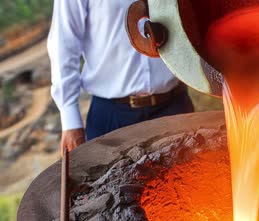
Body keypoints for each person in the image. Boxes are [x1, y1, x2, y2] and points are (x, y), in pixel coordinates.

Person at [48, 0, 194, 153]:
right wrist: (70, 119)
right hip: (112, 117)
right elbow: (63, 43)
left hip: (173, 106)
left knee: (196, 172)